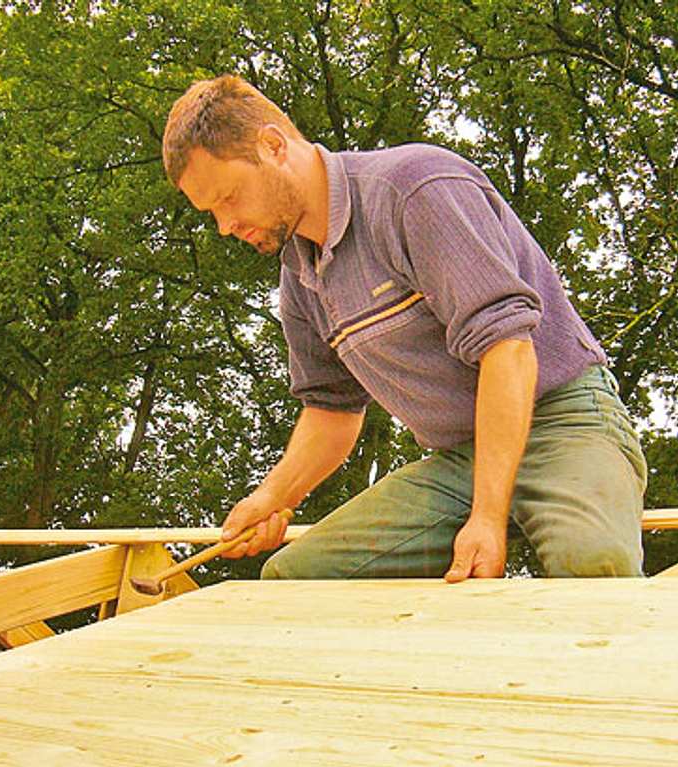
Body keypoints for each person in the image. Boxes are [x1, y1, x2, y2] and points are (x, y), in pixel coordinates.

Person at [162, 74, 647, 583]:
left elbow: (508, 349)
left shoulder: (416, 189)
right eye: (211, 212)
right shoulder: (299, 275)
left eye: (229, 197)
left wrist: (486, 517)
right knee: (297, 580)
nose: (225, 225)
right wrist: (271, 497)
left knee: (594, 568)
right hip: (461, 456)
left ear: (273, 145)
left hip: (563, 422)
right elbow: (331, 411)